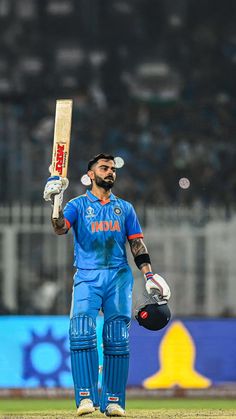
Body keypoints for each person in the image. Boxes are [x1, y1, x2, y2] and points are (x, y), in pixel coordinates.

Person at [43, 153, 171, 417]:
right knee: (80, 332)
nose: (110, 172)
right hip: (87, 276)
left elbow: (137, 244)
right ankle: (86, 398)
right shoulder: (77, 205)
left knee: (117, 338)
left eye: (112, 168)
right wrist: (55, 203)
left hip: (118, 277)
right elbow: (59, 228)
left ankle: (113, 400)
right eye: (104, 168)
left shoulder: (124, 208)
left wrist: (149, 275)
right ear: (91, 174)